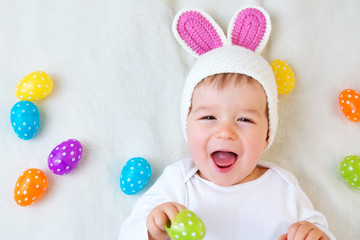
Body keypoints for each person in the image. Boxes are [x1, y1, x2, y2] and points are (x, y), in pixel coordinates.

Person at [119, 6, 335, 240]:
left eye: (244, 119)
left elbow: (320, 231)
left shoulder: (283, 186)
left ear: (267, 135)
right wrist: (152, 229)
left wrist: (315, 235)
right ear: (187, 127)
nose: (225, 132)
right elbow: (128, 233)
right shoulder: (179, 181)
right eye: (208, 117)